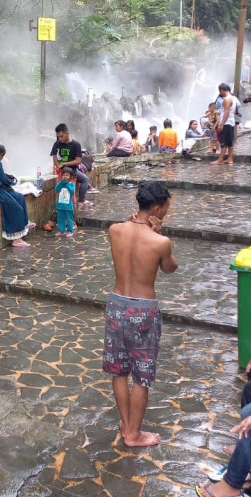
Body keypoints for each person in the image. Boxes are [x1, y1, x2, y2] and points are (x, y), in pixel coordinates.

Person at [103, 181, 178, 447]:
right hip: (143, 310)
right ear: (157, 208)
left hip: (116, 305)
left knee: (119, 371)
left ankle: (126, 423)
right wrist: (161, 233)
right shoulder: (161, 241)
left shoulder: (115, 230)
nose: (168, 211)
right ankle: (134, 433)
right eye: (167, 208)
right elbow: (170, 268)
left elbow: (128, 233)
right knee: (142, 376)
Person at [0, 144, 35, 248]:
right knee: (15, 208)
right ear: (2, 155)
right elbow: (3, 179)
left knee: (19, 197)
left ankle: (25, 222)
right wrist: (12, 182)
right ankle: (16, 239)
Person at [50, 123, 98, 209]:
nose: (59, 139)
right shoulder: (57, 144)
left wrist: (64, 163)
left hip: (72, 171)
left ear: (67, 133)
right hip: (62, 171)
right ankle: (79, 202)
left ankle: (81, 201)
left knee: (85, 180)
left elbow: (78, 160)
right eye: (58, 137)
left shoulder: (76, 145)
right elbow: (54, 156)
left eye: (61, 136)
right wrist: (56, 167)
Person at [211, 83, 236, 166]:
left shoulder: (226, 99)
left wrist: (221, 124)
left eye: (220, 91)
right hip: (231, 122)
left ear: (221, 90)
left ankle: (220, 159)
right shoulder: (233, 98)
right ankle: (230, 158)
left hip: (226, 123)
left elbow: (226, 112)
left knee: (223, 141)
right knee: (230, 142)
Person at [54, 166, 76, 238]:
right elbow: (56, 189)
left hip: (68, 206)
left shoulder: (71, 184)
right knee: (60, 218)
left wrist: (66, 184)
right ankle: (61, 230)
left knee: (69, 219)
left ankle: (70, 231)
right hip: (60, 205)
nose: (65, 176)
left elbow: (72, 191)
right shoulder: (60, 183)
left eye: (67, 175)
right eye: (64, 175)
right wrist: (62, 183)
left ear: (70, 176)